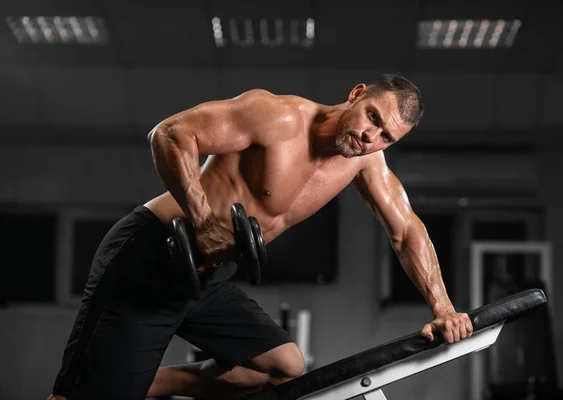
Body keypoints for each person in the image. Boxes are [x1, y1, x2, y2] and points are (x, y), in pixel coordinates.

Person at [48, 74, 473, 400]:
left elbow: (405, 230)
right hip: (151, 253)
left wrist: (443, 308)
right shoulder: (280, 117)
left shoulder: (366, 162)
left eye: (386, 137)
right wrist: (201, 219)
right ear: (357, 94)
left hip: (205, 276)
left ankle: (143, 384)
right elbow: (171, 134)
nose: (370, 137)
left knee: (281, 366)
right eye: (373, 117)